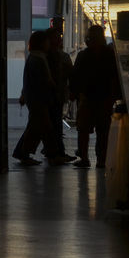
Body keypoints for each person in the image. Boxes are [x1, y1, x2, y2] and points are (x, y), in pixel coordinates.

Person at [12, 31, 70, 166]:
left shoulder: (35, 57)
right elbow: (43, 80)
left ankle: (46, 154)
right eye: (47, 41)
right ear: (41, 43)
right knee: (42, 128)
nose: (49, 44)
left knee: (40, 127)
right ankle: (27, 154)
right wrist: (53, 87)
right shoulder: (38, 59)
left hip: (36, 99)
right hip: (39, 100)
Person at [70, 24, 122, 168]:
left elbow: (76, 76)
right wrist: (114, 95)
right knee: (103, 130)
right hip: (105, 97)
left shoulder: (83, 55)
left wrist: (73, 93)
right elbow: (115, 77)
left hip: (87, 96)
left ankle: (84, 157)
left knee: (83, 129)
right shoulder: (110, 55)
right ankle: (101, 159)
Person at [45, 17, 75, 161]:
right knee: (55, 124)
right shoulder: (61, 57)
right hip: (55, 95)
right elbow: (70, 75)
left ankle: (53, 150)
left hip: (50, 96)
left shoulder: (43, 56)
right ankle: (57, 152)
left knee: (49, 124)